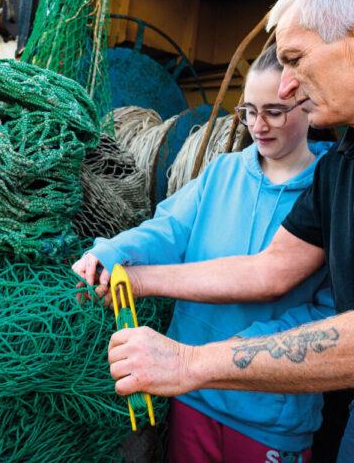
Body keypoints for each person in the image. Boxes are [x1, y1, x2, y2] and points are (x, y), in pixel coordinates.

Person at [102, 0, 354, 462]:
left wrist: (188, 362)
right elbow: (270, 269)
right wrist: (137, 278)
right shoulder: (343, 162)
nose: (287, 87)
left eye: (294, 59)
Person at [73, 44, 335, 462]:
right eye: (248, 111)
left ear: (309, 105)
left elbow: (330, 312)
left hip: (271, 415)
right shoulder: (223, 172)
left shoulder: (334, 187)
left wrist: (235, 352)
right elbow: (170, 228)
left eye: (274, 111)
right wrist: (115, 250)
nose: (258, 125)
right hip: (192, 396)